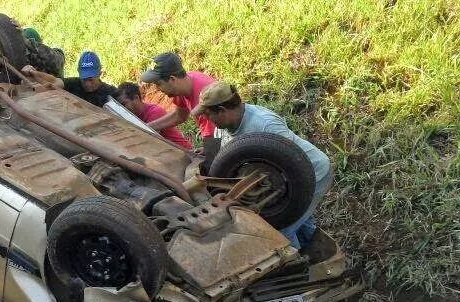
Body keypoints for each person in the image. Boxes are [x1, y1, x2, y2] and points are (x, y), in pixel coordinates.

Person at [193, 82, 333, 249]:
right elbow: (227, 151)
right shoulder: (224, 124)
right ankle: (315, 247)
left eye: (209, 115)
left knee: (279, 232)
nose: (207, 119)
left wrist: (283, 202)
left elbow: (293, 161)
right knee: (299, 218)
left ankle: (301, 268)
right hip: (275, 174)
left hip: (310, 173)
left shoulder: (265, 125)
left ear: (222, 111)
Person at [140, 52, 218, 159]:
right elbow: (179, 115)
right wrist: (147, 127)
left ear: (172, 79)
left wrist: (208, 150)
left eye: (158, 84)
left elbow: (215, 141)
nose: (158, 89)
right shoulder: (185, 83)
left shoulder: (204, 100)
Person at [22, 51, 116, 107]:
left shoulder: (111, 93)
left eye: (91, 79)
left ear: (99, 74)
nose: (87, 84)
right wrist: (34, 73)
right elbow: (54, 81)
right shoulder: (74, 84)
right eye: (84, 79)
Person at [114, 82, 192, 149]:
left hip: (183, 151)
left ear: (136, 98)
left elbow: (148, 141)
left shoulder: (154, 112)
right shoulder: (132, 115)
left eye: (124, 104)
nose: (122, 108)